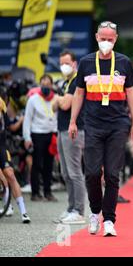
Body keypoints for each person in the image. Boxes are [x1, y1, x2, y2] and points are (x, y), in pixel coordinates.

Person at [69, 21, 133, 237]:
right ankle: (95, 212)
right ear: (97, 38)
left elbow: (131, 93)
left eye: (110, 39)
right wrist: (73, 121)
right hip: (93, 124)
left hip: (118, 123)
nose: (106, 42)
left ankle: (109, 219)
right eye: (103, 38)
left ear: (115, 39)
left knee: (112, 174)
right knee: (91, 173)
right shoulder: (86, 62)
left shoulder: (124, 62)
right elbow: (79, 93)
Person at [53, 50, 86, 224]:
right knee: (65, 172)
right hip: (61, 129)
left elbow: (64, 105)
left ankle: (79, 210)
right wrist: (59, 100)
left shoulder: (75, 82)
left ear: (74, 63)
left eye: (67, 63)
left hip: (74, 130)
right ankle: (71, 207)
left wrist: (58, 99)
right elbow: (53, 105)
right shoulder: (65, 83)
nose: (64, 66)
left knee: (74, 172)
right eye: (61, 63)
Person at [23, 74, 58, 202]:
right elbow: (27, 119)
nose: (45, 87)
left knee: (49, 165)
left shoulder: (56, 99)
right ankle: (35, 193)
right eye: (43, 84)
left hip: (51, 134)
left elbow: (57, 118)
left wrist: (57, 134)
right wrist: (27, 138)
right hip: (37, 134)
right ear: (39, 85)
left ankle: (48, 192)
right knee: (36, 164)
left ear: (51, 85)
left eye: (48, 85)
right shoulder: (33, 99)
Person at [0, 89, 31, 223]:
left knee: (10, 175)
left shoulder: (1, 104)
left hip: (1, 146)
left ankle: (23, 212)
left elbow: (8, 126)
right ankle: (8, 206)